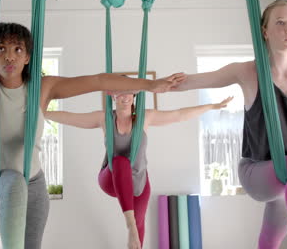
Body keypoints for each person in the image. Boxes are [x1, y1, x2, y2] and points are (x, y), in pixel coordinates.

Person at [0, 22, 185, 249]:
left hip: (35, 185)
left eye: (17, 49)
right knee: (14, 180)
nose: (9, 56)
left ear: (28, 57)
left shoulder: (44, 88)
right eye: (1, 49)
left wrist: (148, 85)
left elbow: (96, 80)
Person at [171, 0, 287, 249]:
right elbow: (192, 81)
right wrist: (144, 85)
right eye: (280, 23)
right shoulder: (248, 73)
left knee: (269, 242)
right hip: (257, 171)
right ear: (265, 31)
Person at [45, 88, 232, 249]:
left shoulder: (145, 117)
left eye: (129, 92)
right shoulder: (105, 118)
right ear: (112, 95)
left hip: (139, 185)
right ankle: (130, 225)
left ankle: (134, 228)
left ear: (135, 96)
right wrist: (41, 112)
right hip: (110, 179)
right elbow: (70, 118)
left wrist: (211, 106)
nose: (125, 97)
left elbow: (179, 114)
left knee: (138, 236)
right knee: (120, 162)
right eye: (120, 92)